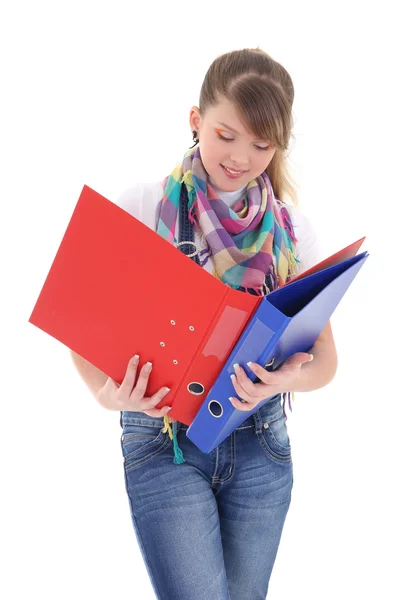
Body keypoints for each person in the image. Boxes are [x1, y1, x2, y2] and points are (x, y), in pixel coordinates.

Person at [70, 47, 338, 600]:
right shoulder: (143, 206)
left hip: (261, 442)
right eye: (225, 134)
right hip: (163, 439)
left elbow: (326, 362)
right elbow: (78, 321)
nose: (240, 157)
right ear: (195, 120)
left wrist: (285, 379)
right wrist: (107, 394)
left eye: (261, 145)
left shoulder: (292, 232)